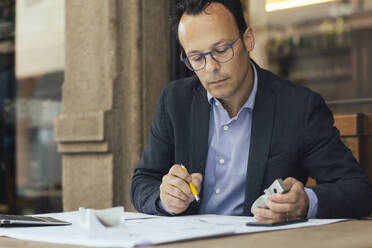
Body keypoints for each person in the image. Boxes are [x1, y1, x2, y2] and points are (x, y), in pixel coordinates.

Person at [131, 0, 372, 221]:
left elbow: (358, 190)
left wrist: (306, 202)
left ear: (248, 40)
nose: (211, 67)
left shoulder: (298, 107)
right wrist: (165, 198)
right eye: (196, 58)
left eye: (222, 50)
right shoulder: (175, 101)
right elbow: (142, 182)